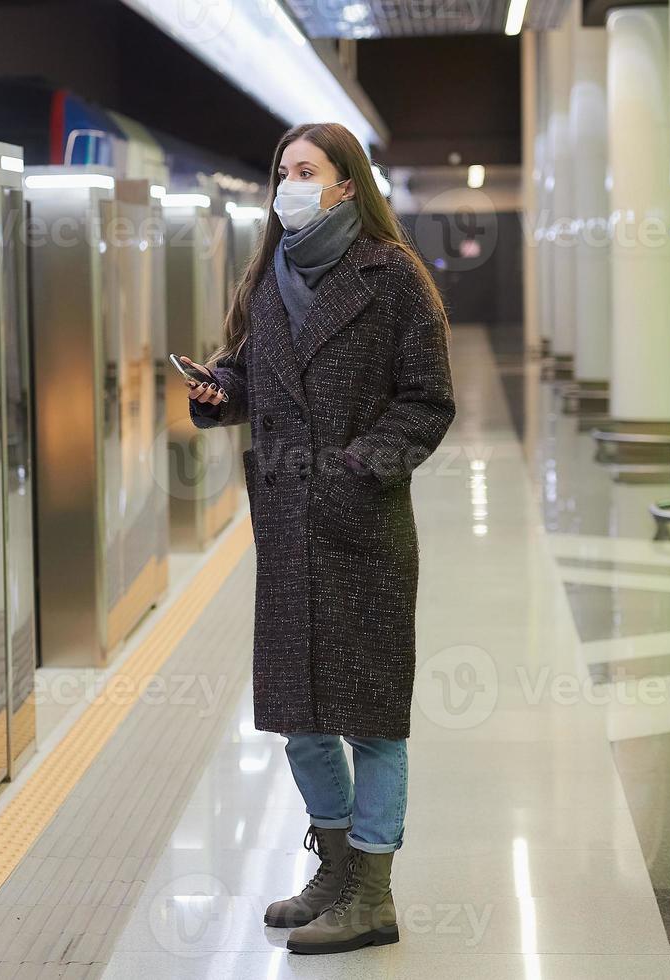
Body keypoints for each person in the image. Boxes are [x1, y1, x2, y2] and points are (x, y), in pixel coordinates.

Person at [183, 122, 455, 954]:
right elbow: (247, 368)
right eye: (282, 170)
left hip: (363, 528)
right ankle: (333, 871)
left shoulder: (394, 276)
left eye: (306, 170)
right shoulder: (269, 276)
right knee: (301, 716)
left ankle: (372, 892)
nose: (288, 183)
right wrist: (216, 391)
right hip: (288, 532)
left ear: (346, 185)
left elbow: (428, 403)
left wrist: (353, 468)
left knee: (370, 717)